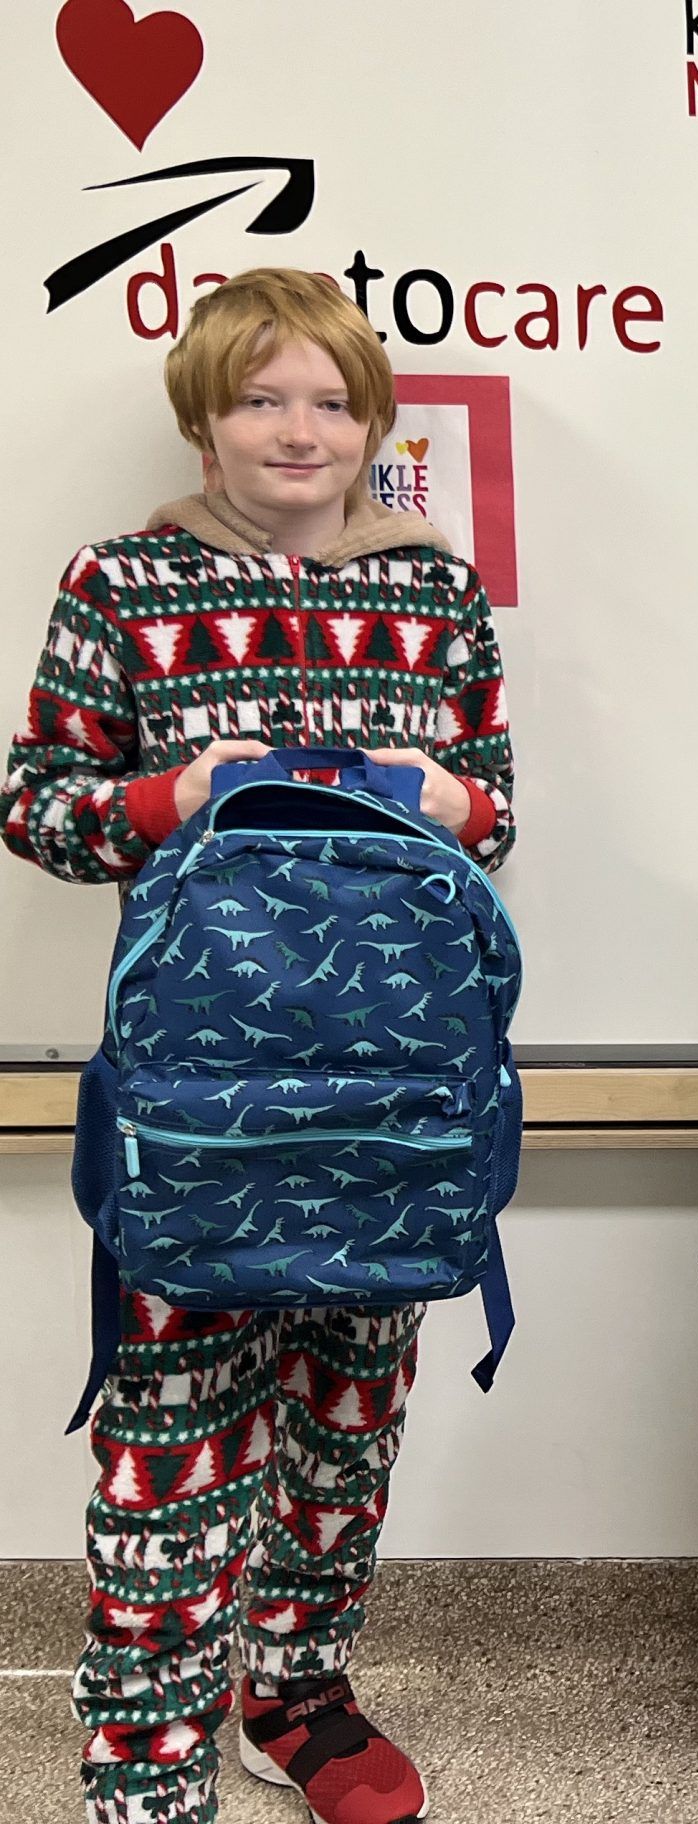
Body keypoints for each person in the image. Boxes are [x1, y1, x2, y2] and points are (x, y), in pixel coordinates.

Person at [2, 266, 515, 1824]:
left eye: (332, 399)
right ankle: (148, 1756)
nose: (300, 430)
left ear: (374, 423)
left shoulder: (437, 593)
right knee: (170, 1448)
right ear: (203, 417)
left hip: (392, 1103)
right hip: (196, 1111)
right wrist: (170, 794)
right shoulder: (121, 582)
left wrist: (456, 804)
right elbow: (35, 803)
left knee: (351, 1419)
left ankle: (293, 1698)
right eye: (259, 397)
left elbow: (495, 814)